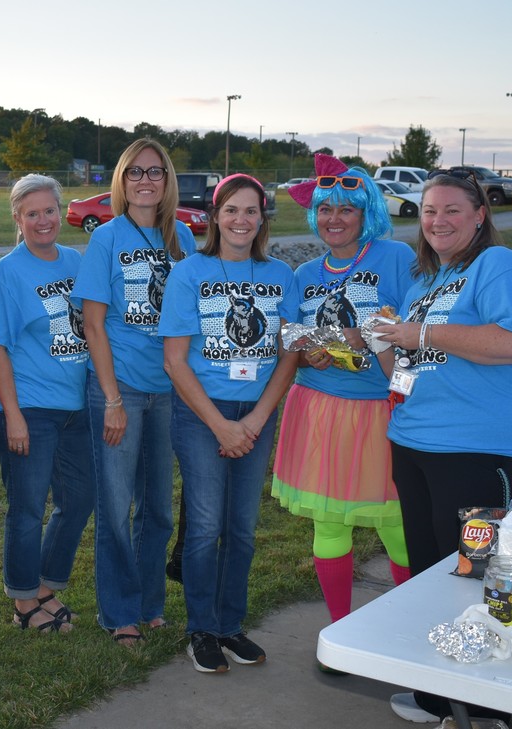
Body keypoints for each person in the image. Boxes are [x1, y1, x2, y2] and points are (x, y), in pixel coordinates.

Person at [374, 169, 512, 724]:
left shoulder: (498, 264)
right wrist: (381, 341)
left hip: (484, 453)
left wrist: (422, 333)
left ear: (480, 215)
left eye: (452, 209)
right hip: (416, 446)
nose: (438, 221)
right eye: (430, 211)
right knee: (432, 577)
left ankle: (488, 708)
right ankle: (440, 695)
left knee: (481, 584)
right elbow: (405, 373)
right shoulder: (425, 282)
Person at [269, 154, 415, 650]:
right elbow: (288, 332)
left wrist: (363, 335)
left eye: (346, 209)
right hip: (320, 409)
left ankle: (410, 633)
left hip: (383, 410)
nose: (334, 218)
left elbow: (413, 328)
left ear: (366, 213)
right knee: (329, 525)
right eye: (325, 209)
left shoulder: (395, 257)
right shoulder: (306, 271)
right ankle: (340, 632)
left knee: (398, 525)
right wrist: (307, 350)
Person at [160, 174, 298, 672]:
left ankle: (229, 624)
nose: (241, 219)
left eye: (251, 210)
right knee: (204, 526)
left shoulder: (281, 274)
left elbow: (290, 353)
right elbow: (175, 361)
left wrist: (257, 418)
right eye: (232, 210)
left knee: (241, 528)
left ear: (263, 218)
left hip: (256, 414)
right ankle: (201, 628)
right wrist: (220, 425)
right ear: (215, 216)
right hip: (203, 414)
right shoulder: (189, 273)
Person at [72, 138, 197, 645]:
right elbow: (93, 326)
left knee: (159, 508)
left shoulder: (182, 237)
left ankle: (150, 602)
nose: (145, 181)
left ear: (167, 180)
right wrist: (113, 400)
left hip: (169, 388)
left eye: (155, 171)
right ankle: (119, 611)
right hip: (119, 385)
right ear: (122, 181)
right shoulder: (106, 238)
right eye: (135, 172)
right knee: (117, 506)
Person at [0, 174, 94, 633]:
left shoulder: (75, 261)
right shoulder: (7, 273)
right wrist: (14, 417)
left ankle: (45, 586)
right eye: (32, 213)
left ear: (60, 212)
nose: (43, 220)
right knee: (27, 507)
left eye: (50, 210)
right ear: (18, 218)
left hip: (75, 405)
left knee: (80, 498)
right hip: (27, 406)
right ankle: (24, 602)